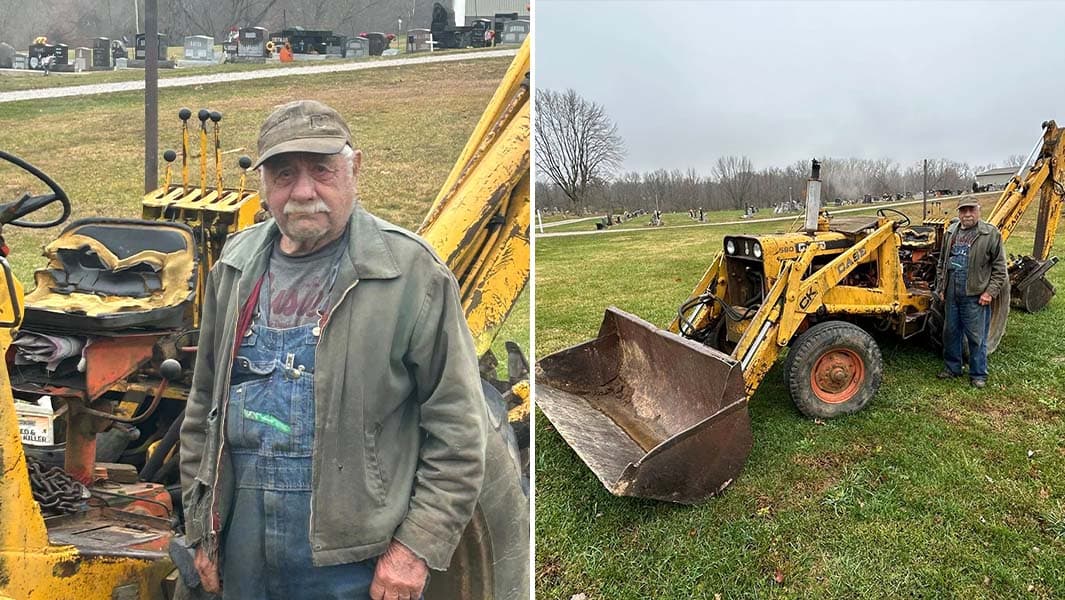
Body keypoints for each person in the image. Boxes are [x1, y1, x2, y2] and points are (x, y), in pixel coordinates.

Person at [179, 100, 487, 599]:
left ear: (354, 168)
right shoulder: (233, 270)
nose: (303, 192)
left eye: (321, 170)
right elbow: (202, 413)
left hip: (355, 562)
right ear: (263, 184)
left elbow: (459, 431)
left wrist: (414, 550)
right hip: (244, 550)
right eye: (283, 174)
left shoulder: (410, 275)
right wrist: (201, 530)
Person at [935, 196, 1007, 388]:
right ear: (958, 213)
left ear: (978, 210)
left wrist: (990, 292)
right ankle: (953, 368)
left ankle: (978, 374)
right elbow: (942, 262)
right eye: (963, 210)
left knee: (976, 337)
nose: (967, 214)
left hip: (975, 294)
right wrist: (941, 287)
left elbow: (1000, 269)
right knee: (950, 332)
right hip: (952, 292)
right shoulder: (951, 232)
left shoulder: (990, 234)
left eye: (971, 210)